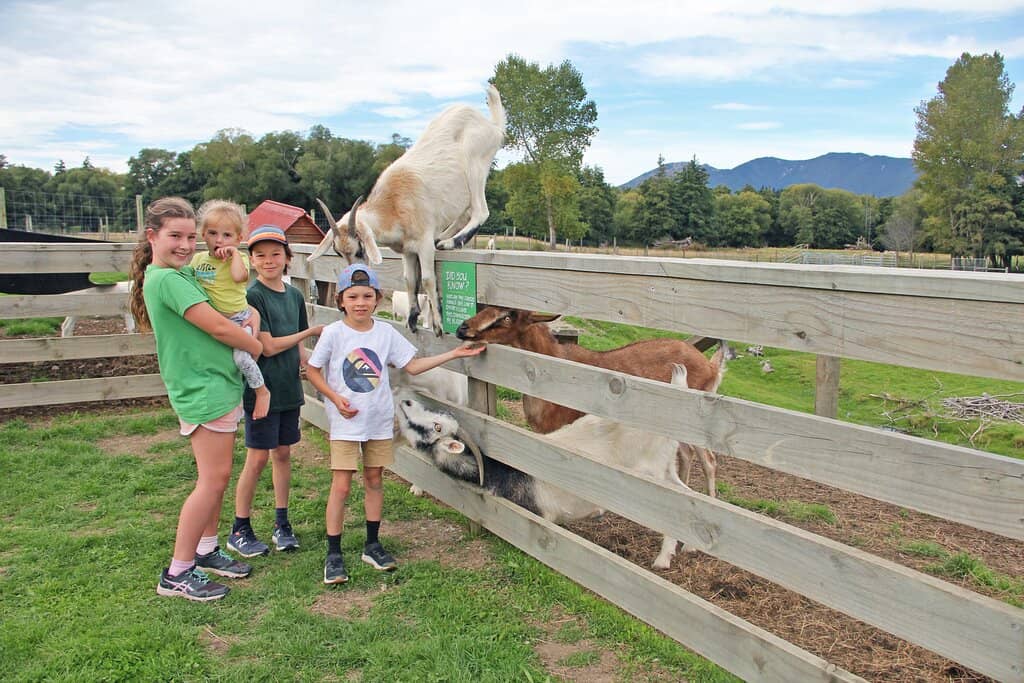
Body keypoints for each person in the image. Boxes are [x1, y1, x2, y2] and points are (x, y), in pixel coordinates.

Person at [305, 263, 485, 585]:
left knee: (374, 480)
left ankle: (372, 544)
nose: (360, 302)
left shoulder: (385, 333)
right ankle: (334, 553)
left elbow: (412, 366)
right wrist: (334, 397)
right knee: (342, 485)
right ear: (341, 300)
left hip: (377, 422)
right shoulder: (333, 334)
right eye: (353, 296)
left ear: (377, 299)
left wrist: (454, 354)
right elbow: (314, 371)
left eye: (367, 296)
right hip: (346, 424)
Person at [128, 197, 264, 602]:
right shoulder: (168, 280)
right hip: (202, 388)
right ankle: (178, 571)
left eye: (191, 236)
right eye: (175, 236)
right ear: (152, 236)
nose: (186, 245)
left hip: (216, 383)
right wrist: (253, 345)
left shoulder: (180, 273)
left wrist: (232, 264)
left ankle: (206, 551)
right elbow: (219, 328)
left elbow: (226, 291)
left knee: (217, 477)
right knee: (212, 480)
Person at [226, 225, 324, 557]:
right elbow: (266, 347)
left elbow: (298, 349)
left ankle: (282, 523)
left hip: (288, 390)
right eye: (260, 255)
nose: (269, 261)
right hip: (261, 389)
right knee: (256, 459)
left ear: (287, 258)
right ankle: (240, 526)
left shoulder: (295, 295)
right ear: (251, 261)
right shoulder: (253, 296)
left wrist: (318, 364)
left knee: (283, 455)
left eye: (275, 254)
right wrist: (311, 331)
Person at [191, 200, 271, 420]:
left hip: (238, 320)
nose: (219, 240)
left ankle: (261, 391)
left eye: (227, 235)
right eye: (213, 233)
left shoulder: (240, 259)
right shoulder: (197, 260)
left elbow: (239, 277)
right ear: (202, 234)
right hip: (214, 322)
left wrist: (234, 255)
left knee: (241, 359)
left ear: (238, 239)